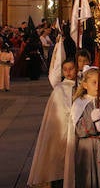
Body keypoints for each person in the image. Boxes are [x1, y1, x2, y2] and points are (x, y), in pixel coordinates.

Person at [28, 57, 77, 188]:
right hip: (60, 131)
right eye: (65, 69)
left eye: (71, 69)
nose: (68, 72)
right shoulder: (59, 89)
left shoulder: (81, 86)